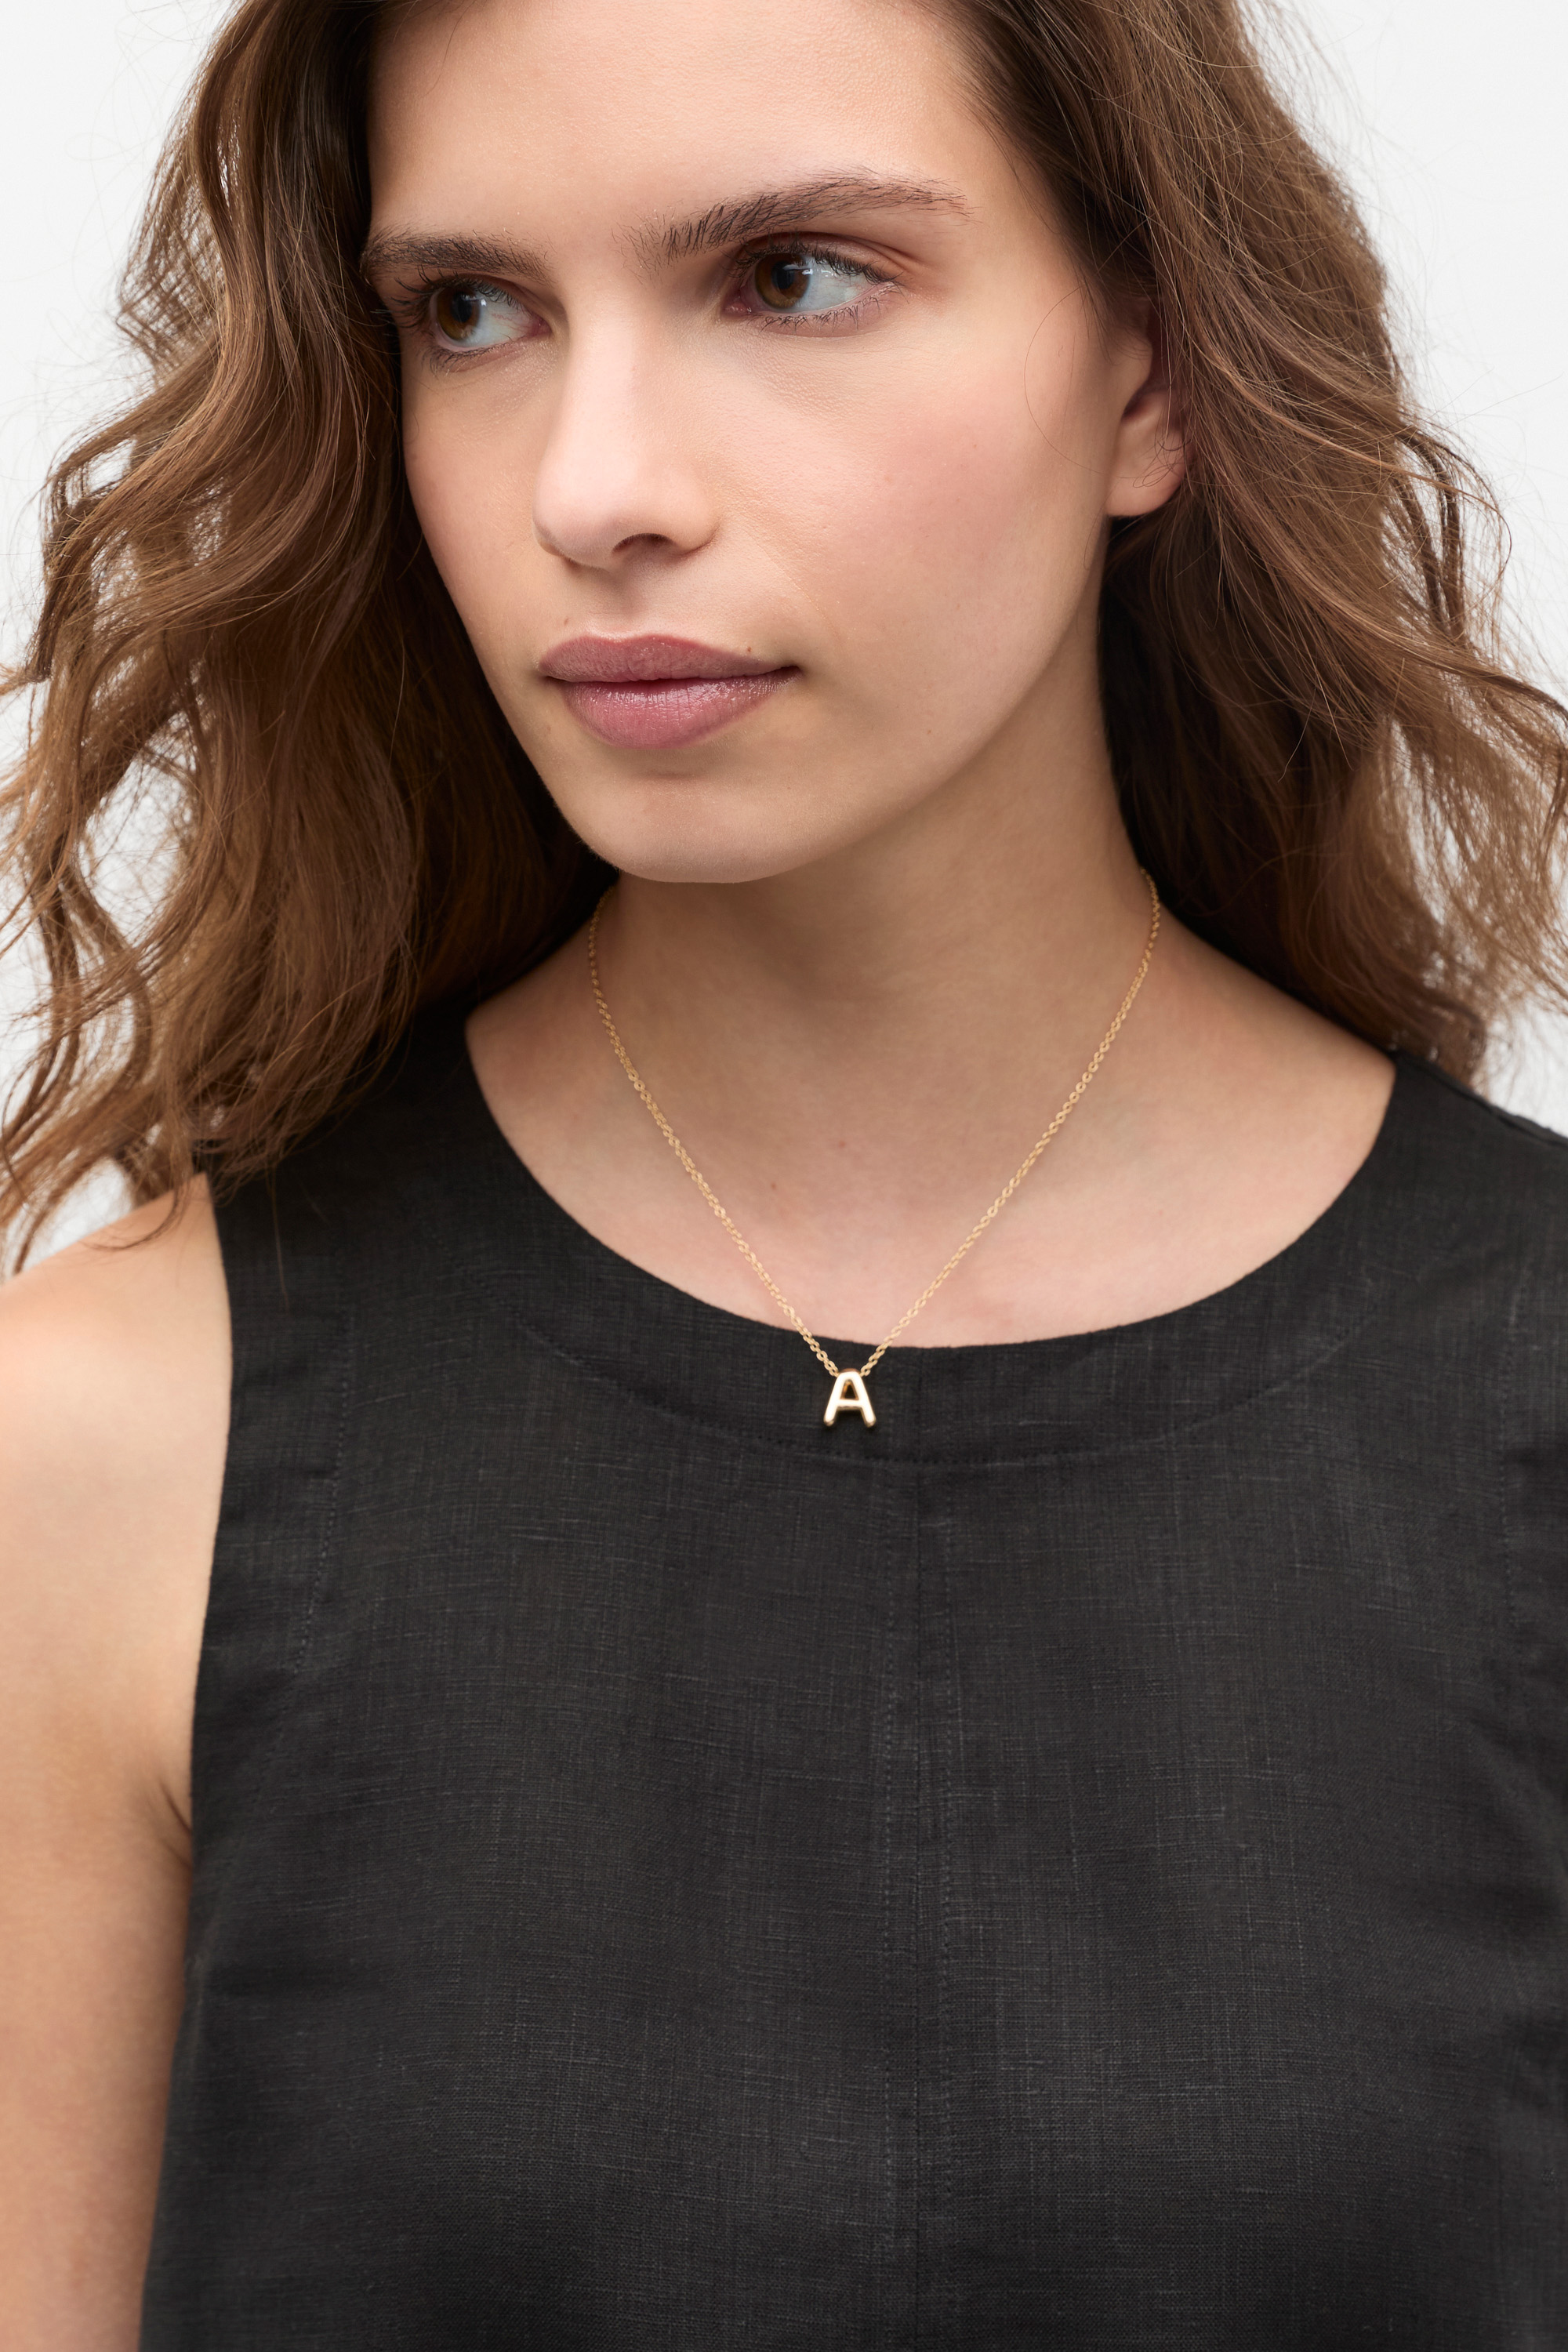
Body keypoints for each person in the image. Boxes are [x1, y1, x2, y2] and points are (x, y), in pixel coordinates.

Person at [3, 0, 1567, 2340]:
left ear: (1151, 373)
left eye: (793, 278)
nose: (591, 487)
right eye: (473, 312)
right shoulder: (111, 1446)